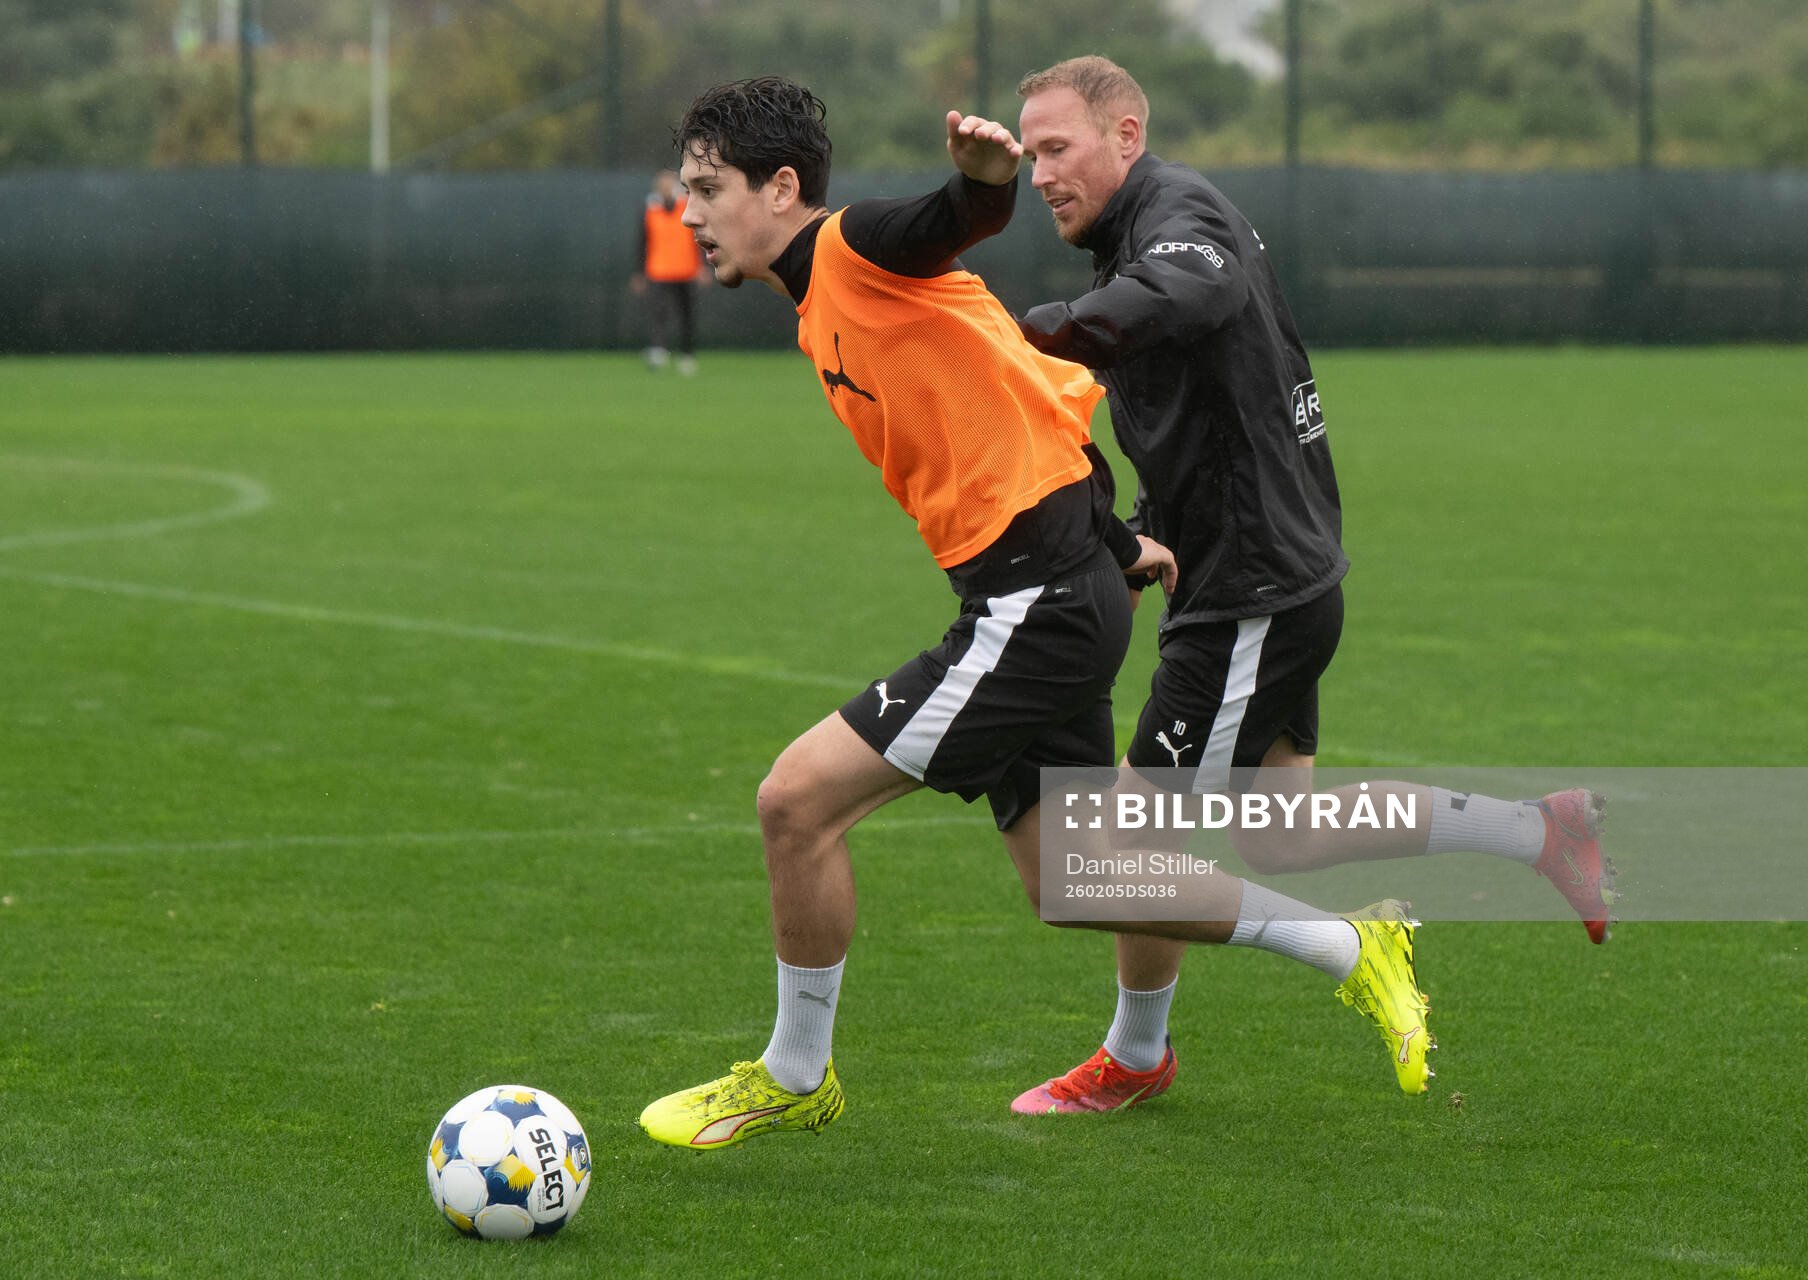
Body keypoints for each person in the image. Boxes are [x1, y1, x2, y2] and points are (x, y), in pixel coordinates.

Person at [638, 76, 1439, 1154]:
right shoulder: (830, 303)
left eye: (708, 187)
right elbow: (1034, 407)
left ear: (783, 189)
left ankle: (793, 1073)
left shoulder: (851, 249)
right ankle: (1347, 949)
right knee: (1077, 879)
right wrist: (1115, 542)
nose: (690, 211)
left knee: (795, 802)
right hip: (1044, 586)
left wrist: (981, 183)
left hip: (1035, 604)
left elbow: (948, 220)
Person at [1004, 55, 1616, 1115]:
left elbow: (1198, 287)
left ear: (1127, 136)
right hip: (1266, 570)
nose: (1038, 173)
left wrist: (1033, 331)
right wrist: (1149, 525)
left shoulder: (1177, 212)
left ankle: (1138, 1055)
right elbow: (1202, 403)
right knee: (1286, 831)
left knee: (1120, 854)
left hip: (1252, 586)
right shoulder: (1131, 237)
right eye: (1028, 156)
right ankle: (1540, 829)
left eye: (1056, 148)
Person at [631, 168, 709, 374]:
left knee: (687, 315)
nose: (666, 187)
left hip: (686, 269)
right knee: (659, 313)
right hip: (658, 270)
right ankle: (658, 351)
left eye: (669, 183)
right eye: (662, 184)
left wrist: (703, 266)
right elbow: (642, 243)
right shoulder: (650, 209)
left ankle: (687, 355)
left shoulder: (687, 206)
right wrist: (639, 272)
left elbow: (700, 238)